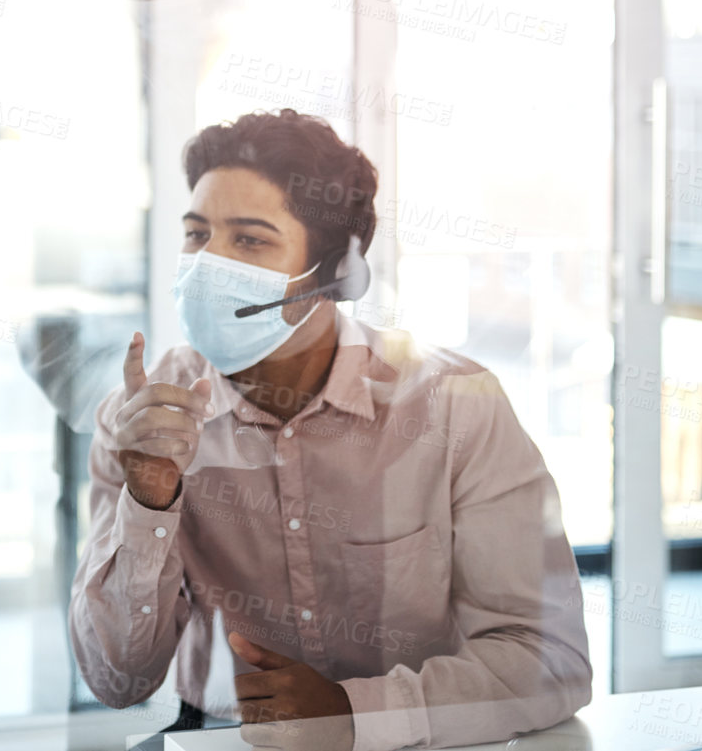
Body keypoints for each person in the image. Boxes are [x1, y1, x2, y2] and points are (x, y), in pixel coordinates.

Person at [69, 109, 591, 751]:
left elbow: (549, 658)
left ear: (334, 273)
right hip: (225, 737)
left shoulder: (457, 404)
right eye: (197, 234)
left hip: (425, 739)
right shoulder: (144, 417)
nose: (207, 265)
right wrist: (148, 499)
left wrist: (353, 714)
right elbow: (115, 678)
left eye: (250, 240)